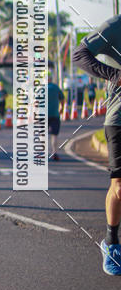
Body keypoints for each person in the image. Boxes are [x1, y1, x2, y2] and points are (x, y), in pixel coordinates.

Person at [73, 16, 121, 274]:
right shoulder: (115, 26)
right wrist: (115, 75)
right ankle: (112, 243)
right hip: (119, 119)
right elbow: (80, 54)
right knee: (120, 187)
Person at [47, 73, 64, 161]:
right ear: (50, 79)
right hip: (54, 114)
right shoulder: (56, 87)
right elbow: (62, 98)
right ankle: (54, 153)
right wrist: (62, 108)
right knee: (54, 135)